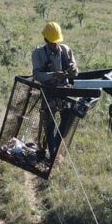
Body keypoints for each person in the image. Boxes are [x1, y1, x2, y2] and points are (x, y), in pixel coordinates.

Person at [31, 22, 78, 161]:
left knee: (67, 120)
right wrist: (53, 75)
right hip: (49, 94)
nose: (55, 45)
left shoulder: (65, 50)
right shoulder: (39, 54)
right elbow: (37, 75)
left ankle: (55, 149)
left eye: (57, 42)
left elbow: (74, 69)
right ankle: (52, 156)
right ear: (46, 40)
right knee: (49, 125)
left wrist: (72, 70)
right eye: (52, 42)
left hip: (65, 93)